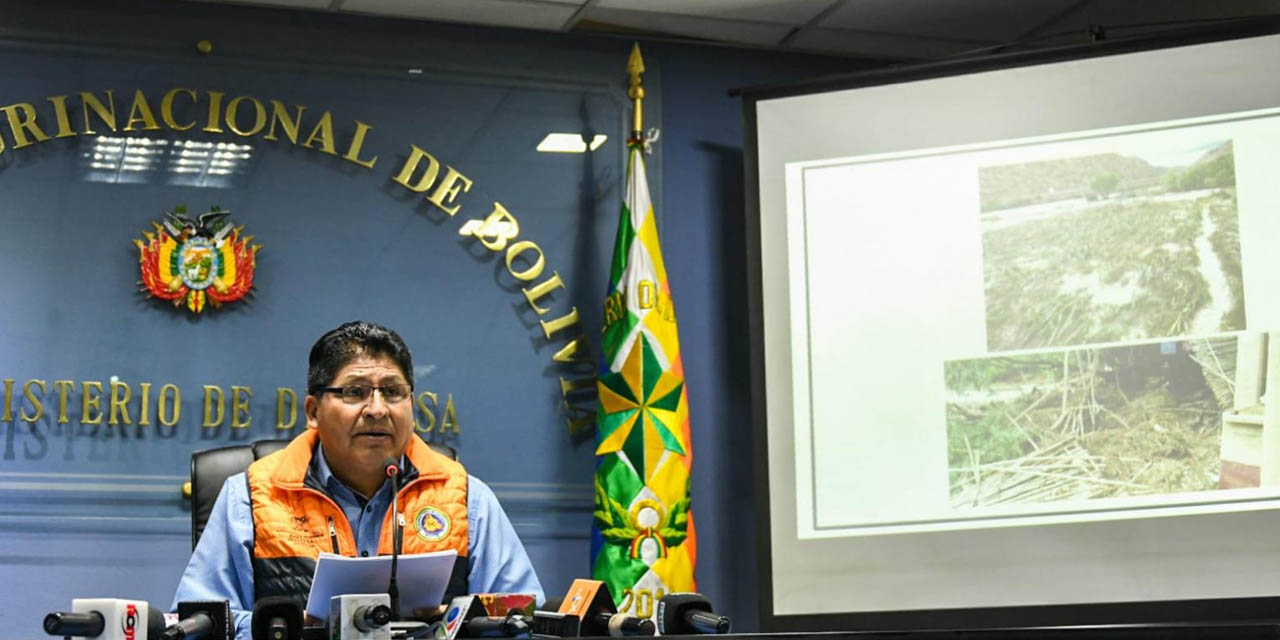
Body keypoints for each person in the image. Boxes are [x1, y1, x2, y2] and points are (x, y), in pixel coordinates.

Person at [172, 321, 543, 639]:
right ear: (314, 411)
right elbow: (194, 623)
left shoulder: (464, 497)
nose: (378, 409)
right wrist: (277, 627)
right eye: (355, 392)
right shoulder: (251, 497)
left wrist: (458, 623)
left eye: (393, 392)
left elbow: (524, 617)